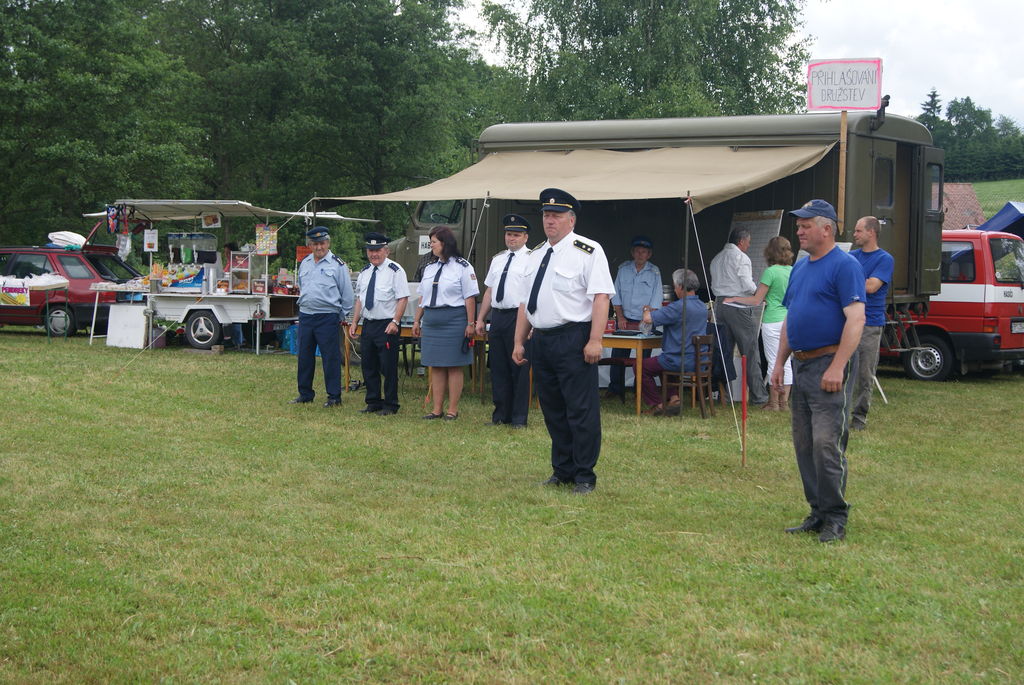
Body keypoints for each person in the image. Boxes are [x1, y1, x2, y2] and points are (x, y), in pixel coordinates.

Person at [771, 199, 866, 543]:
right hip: (801, 363)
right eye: (798, 226)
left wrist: (838, 366)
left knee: (826, 443)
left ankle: (836, 516)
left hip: (828, 363)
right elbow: (791, 318)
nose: (799, 231)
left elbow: (856, 319)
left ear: (826, 229)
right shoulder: (800, 267)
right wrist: (779, 362)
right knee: (805, 443)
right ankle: (817, 511)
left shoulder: (845, 266)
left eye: (805, 225)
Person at [512, 188, 615, 495]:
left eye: (556, 216)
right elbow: (525, 303)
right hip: (542, 339)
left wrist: (595, 339)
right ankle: (562, 470)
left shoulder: (588, 251)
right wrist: (519, 342)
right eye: (546, 215)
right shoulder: (536, 255)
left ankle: (584, 475)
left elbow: (601, 297)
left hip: (573, 338)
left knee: (580, 410)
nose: (550, 221)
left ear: (571, 220)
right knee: (553, 409)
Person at [411, 225, 479, 420]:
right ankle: (437, 409)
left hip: (454, 320)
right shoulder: (430, 268)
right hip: (432, 321)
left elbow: (469, 297)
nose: (431, 245)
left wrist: (470, 323)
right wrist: (416, 320)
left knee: (454, 365)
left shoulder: (462, 267)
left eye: (434, 242)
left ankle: (452, 410)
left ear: (445, 243)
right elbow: (423, 297)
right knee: (436, 365)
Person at [724, 235, 795, 410]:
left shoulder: (770, 272)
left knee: (773, 361)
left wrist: (734, 298)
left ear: (770, 252)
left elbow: (756, 300)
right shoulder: (793, 271)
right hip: (789, 319)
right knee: (786, 362)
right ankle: (785, 403)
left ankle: (773, 403)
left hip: (772, 320)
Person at [475, 214, 533, 428]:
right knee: (498, 367)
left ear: (525, 237)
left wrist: (532, 323)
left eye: (516, 235)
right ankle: (500, 415)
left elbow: (533, 294)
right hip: (498, 316)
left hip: (520, 316)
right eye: (509, 234)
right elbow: (490, 291)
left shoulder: (532, 259)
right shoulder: (498, 259)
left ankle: (519, 417)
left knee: (518, 366)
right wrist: (481, 318)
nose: (511, 238)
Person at [291, 226, 354, 407]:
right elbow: (302, 286)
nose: (319, 247)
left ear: (328, 243)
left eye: (322, 243)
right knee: (304, 357)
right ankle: (305, 394)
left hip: (327, 317)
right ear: (310, 245)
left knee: (330, 358)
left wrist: (340, 315)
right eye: (315, 244)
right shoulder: (305, 263)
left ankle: (334, 396)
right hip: (306, 315)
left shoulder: (338, 265)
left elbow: (347, 295)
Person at [348, 232, 410, 416]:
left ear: (386, 251)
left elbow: (403, 298)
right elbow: (360, 299)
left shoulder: (395, 271)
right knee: (368, 365)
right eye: (370, 250)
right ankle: (373, 401)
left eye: (378, 250)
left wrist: (395, 321)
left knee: (388, 367)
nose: (374, 254)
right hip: (369, 324)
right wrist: (354, 322)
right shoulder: (365, 272)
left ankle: (391, 404)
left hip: (387, 324)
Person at [710, 227, 769, 406]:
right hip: (738, 305)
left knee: (724, 352)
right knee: (750, 351)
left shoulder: (717, 258)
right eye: (748, 242)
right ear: (741, 241)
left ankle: (724, 396)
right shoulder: (741, 257)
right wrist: (759, 293)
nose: (749, 246)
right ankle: (759, 397)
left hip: (720, 305)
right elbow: (747, 284)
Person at [639, 269, 707, 414]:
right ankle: (674, 398)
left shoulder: (678, 307)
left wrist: (646, 309)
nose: (675, 289)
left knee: (640, 366)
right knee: (662, 362)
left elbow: (648, 319)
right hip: (698, 360)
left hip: (678, 359)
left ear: (681, 287)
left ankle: (657, 404)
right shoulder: (702, 306)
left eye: (675, 286)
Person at [849, 216, 894, 431]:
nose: (854, 234)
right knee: (842, 370)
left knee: (864, 374)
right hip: (847, 321)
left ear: (871, 232)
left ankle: (859, 418)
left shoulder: (884, 259)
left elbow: (871, 287)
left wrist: (849, 281)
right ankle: (839, 413)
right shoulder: (851, 256)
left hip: (870, 323)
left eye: (858, 231)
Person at [607, 235, 662, 399]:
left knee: (644, 358)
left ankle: (641, 389)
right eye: (637, 251)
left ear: (649, 255)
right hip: (625, 318)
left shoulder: (654, 272)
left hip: (645, 320)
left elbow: (656, 299)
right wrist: (620, 317)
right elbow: (615, 296)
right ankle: (615, 388)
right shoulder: (623, 269)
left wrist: (646, 319)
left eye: (644, 252)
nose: (640, 255)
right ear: (632, 253)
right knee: (618, 355)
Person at [222, 241, 247, 350]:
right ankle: (237, 340)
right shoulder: (229, 263)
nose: (226, 255)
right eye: (225, 253)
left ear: (233, 253)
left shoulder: (239, 263)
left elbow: (242, 277)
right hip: (229, 292)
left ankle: (238, 341)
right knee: (233, 318)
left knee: (236, 318)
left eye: (228, 253)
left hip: (238, 292)